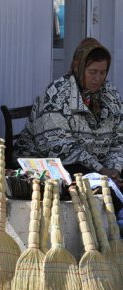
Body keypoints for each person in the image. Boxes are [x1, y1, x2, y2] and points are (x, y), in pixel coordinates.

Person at [14, 37, 123, 190]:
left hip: (95, 166)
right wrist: (101, 170)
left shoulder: (110, 94)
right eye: (92, 72)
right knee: (92, 186)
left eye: (103, 72)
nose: (98, 78)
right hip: (50, 163)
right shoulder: (58, 93)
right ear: (78, 67)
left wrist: (114, 170)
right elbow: (58, 147)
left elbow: (118, 139)